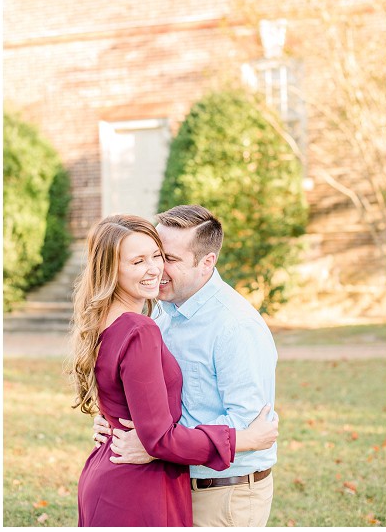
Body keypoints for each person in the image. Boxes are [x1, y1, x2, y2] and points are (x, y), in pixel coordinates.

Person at [70, 214, 277, 527]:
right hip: (150, 481)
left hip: (222, 494)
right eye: (147, 256)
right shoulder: (156, 313)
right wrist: (115, 420)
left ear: (206, 262)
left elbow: (247, 422)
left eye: (165, 257)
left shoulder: (236, 326)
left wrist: (156, 445)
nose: (157, 269)